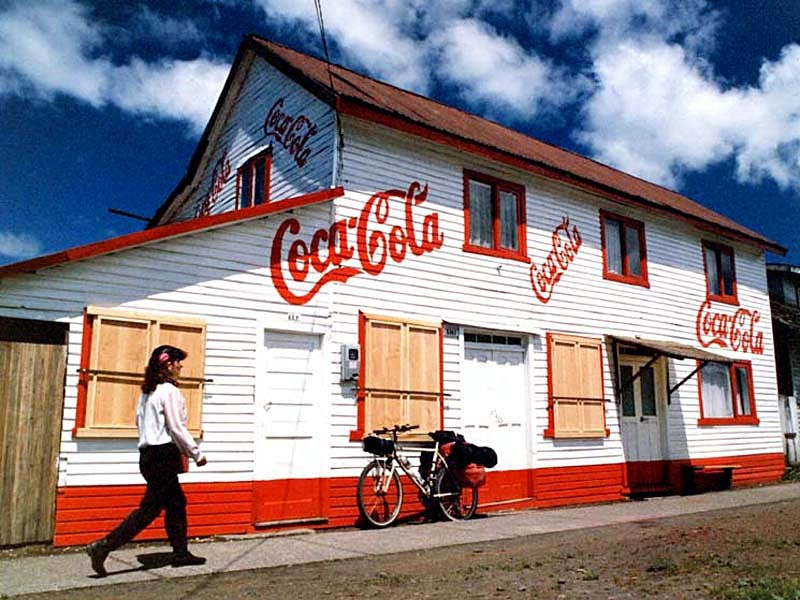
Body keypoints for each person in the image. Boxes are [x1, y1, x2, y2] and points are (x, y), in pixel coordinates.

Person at [86, 345, 207, 576]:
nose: (180, 367)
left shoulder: (147, 392)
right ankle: (104, 546)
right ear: (168, 365)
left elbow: (139, 423)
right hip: (163, 456)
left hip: (148, 456)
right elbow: (176, 427)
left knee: (176, 503)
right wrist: (196, 453)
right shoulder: (169, 391)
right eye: (178, 362)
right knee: (149, 509)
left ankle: (181, 553)